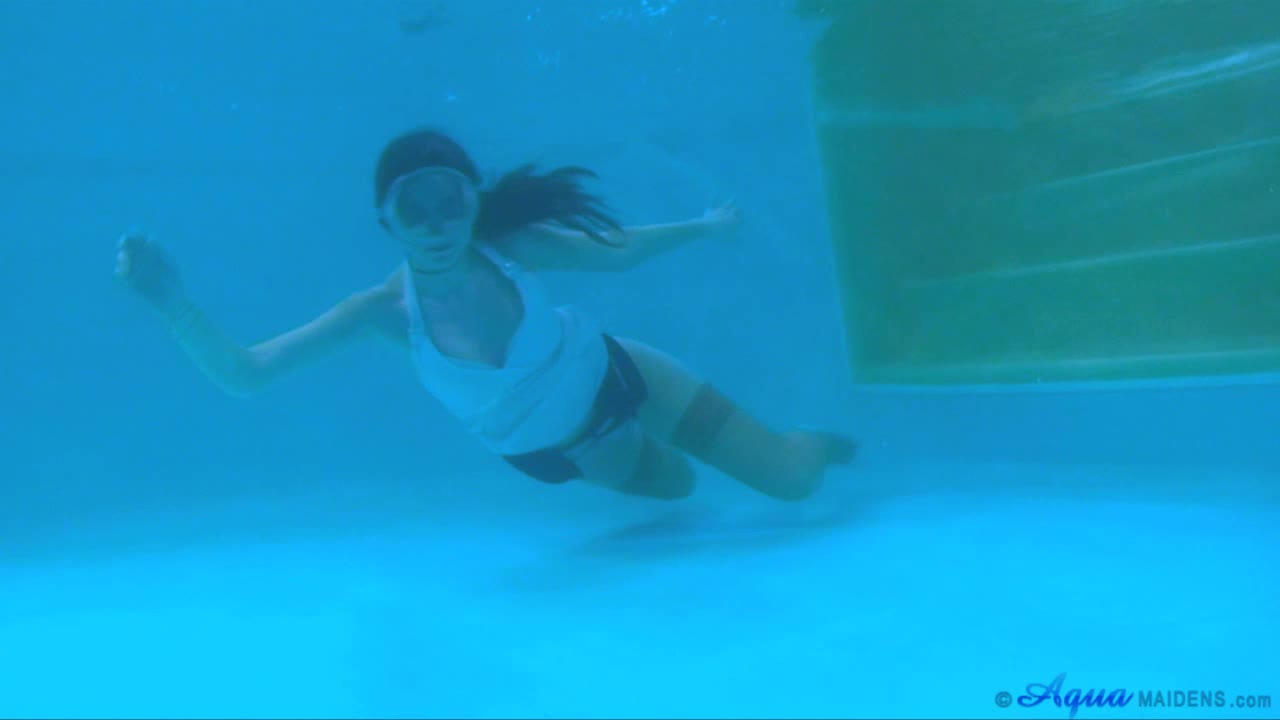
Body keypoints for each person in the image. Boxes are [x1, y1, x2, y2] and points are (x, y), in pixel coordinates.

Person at [115, 127, 856, 501]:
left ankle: (811, 444)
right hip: (565, 452)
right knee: (679, 491)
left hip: (624, 374)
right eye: (415, 207)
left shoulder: (511, 248)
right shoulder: (381, 312)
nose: (436, 223)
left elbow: (619, 251)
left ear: (473, 201)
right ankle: (694, 454)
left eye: (451, 200)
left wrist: (703, 225)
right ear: (386, 221)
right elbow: (247, 374)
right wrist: (172, 304)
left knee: (790, 481)